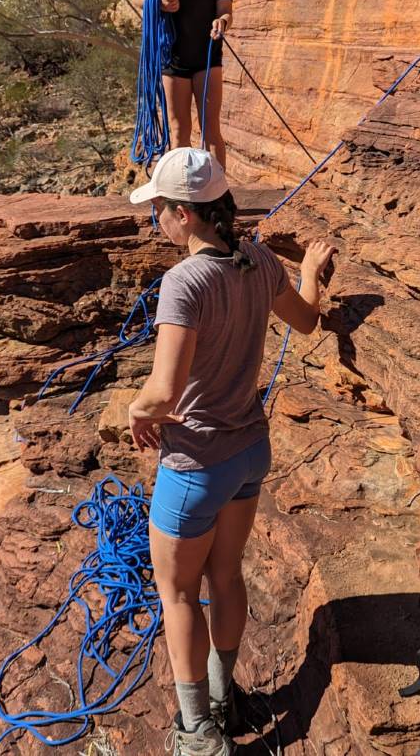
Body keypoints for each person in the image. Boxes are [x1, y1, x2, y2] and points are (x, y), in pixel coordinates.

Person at [126, 147, 336, 754]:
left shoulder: (184, 282)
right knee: (226, 574)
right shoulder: (258, 258)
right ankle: (224, 698)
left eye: (160, 210)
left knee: (178, 594)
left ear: (184, 214)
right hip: (249, 452)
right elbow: (306, 321)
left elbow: (164, 392)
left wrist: (137, 410)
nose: (156, 221)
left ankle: (198, 732)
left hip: (196, 465)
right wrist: (309, 273)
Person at [131, 0, 239, 169]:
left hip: (207, 59)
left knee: (211, 131)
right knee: (179, 131)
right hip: (173, 60)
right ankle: (183, 189)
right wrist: (158, 2)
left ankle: (219, 190)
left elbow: (225, 10)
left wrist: (222, 21)